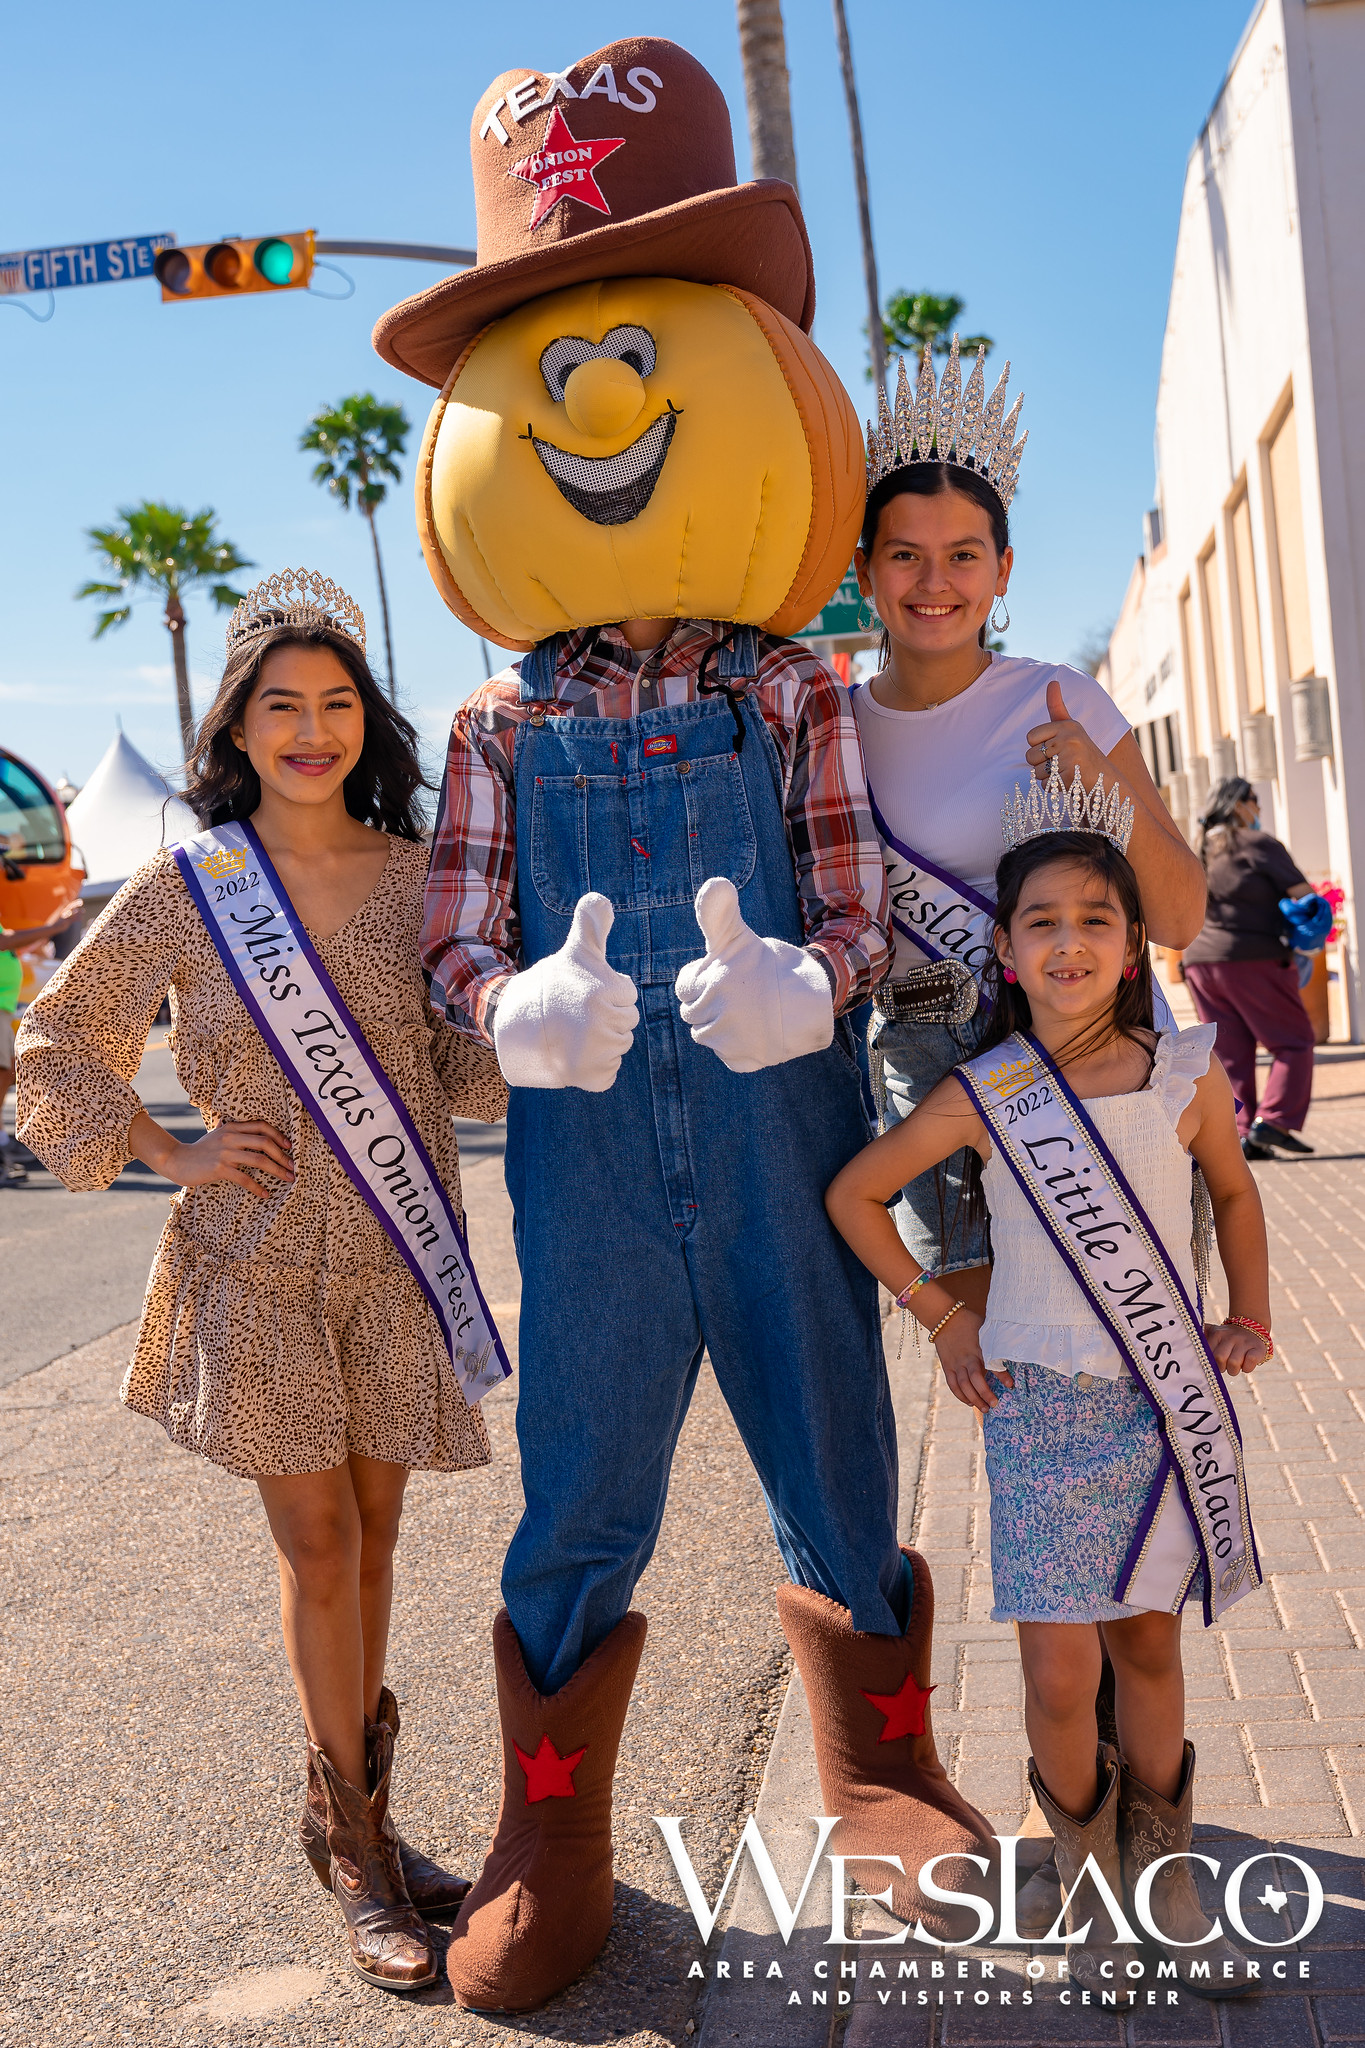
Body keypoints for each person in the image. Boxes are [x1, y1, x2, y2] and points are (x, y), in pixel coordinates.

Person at [374, 36, 995, 2013]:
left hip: (778, 1139)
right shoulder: (496, 722)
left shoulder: (793, 691)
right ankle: (546, 1827)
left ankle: (880, 1772)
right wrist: (510, 1009)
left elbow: (842, 902)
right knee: (579, 1477)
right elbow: (456, 945)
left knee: (829, 1428)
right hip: (584, 1173)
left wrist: (803, 980)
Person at [15, 572, 507, 1992]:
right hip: (262, 1258)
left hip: (400, 1254)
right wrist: (167, 1149)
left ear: (368, 722)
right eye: (282, 705)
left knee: (376, 1532)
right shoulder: (190, 885)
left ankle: (353, 1811)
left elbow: (461, 1068)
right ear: (239, 723)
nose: (312, 729)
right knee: (318, 1548)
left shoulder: (423, 879)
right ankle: (359, 1852)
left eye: (337, 702)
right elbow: (56, 1040)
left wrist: (529, 1009)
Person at [827, 786, 1268, 1997]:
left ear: (1133, 944)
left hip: (1160, 1401)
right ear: (1007, 955)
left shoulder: (1184, 1067)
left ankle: (1164, 1869)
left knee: (1153, 1649)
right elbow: (857, 1192)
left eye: (1095, 918)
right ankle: (1080, 1866)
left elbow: (1232, 1193)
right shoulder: (990, 1088)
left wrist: (1254, 1314)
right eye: (1040, 922)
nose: (1068, 940)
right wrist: (938, 1312)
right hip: (1042, 1408)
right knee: (1062, 1671)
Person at [852, 342, 1206, 1326]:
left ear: (1002, 567)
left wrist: (1103, 785)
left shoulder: (1066, 700)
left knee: (1123, 1361)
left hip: (1089, 1073)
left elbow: (1179, 916)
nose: (936, 581)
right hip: (933, 1086)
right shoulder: (831, 728)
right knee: (999, 1379)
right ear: (867, 569)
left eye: (964, 553)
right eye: (905, 554)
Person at [1180, 776, 1322, 1160]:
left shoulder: (1196, 850)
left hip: (1198, 963)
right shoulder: (1258, 845)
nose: (1258, 809)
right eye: (1255, 800)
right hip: (1252, 959)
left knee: (1231, 1054)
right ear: (1239, 804)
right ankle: (1273, 1122)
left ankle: (1244, 1134)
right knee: (1292, 1041)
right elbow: (1305, 900)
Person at [0, 900, 80, 1183]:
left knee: (7, 1075)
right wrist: (56, 926)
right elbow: (4, 941)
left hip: (4, 1009)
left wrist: (55, 922)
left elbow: (15, 945)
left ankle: (3, 1146)